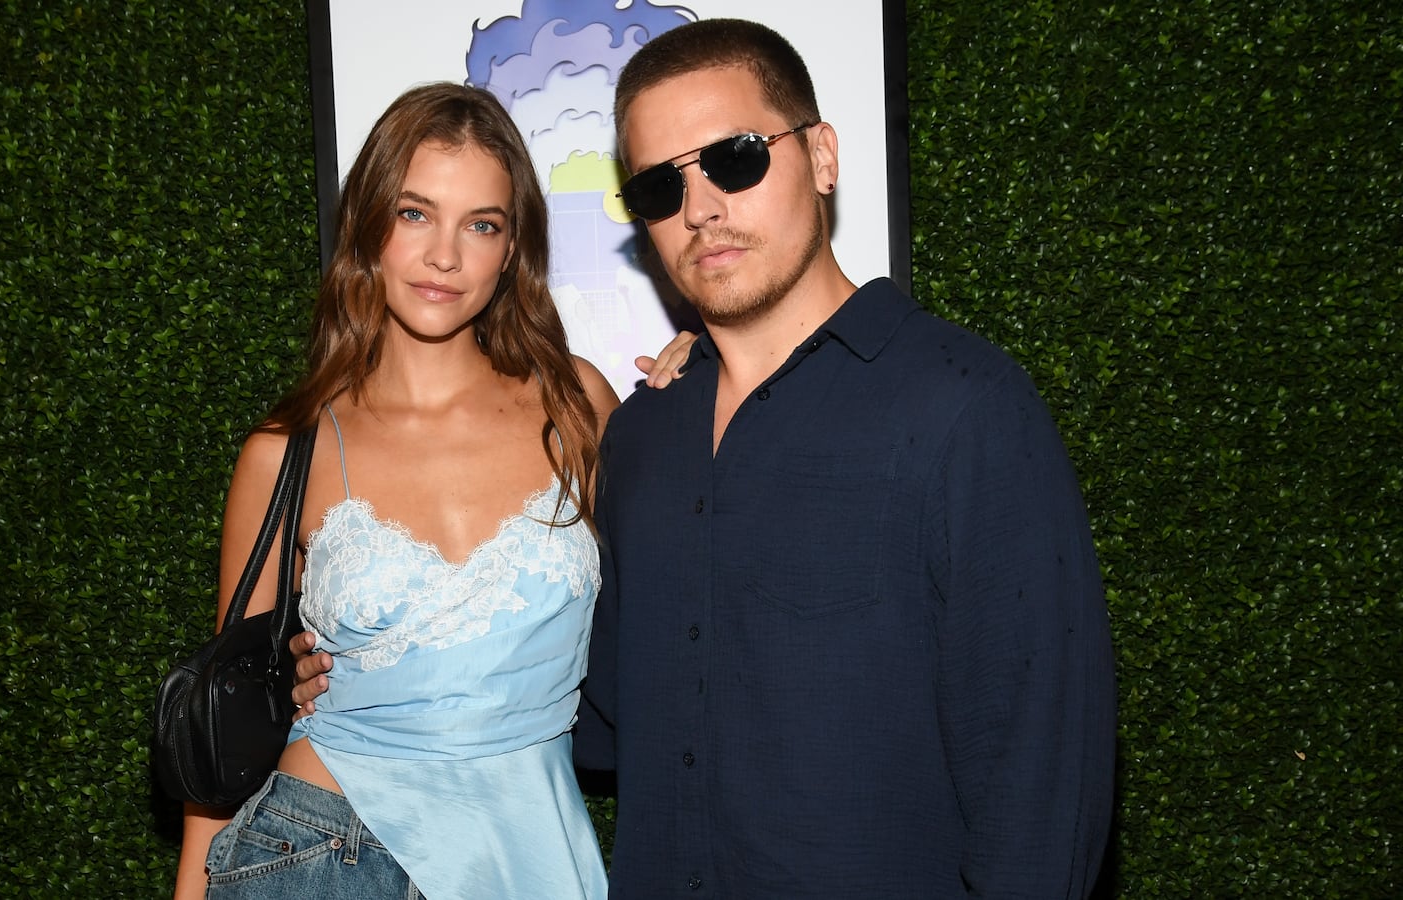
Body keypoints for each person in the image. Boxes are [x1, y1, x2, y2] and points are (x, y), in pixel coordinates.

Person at [295, 18, 1116, 898]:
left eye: (736, 157)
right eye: (658, 185)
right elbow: (590, 698)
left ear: (824, 157)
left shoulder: (963, 405)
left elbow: (1044, 772)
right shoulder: (647, 433)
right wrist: (368, 679)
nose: (701, 208)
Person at [175, 82, 690, 899]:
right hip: (315, 853)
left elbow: (694, 594)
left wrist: (711, 379)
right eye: (415, 213)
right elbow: (217, 733)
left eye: (480, 224)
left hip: (533, 854)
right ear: (368, 225)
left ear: (511, 248)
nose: (445, 256)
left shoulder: (577, 406)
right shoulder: (286, 451)